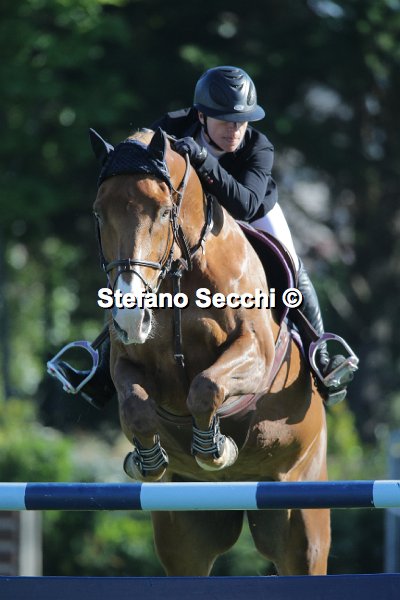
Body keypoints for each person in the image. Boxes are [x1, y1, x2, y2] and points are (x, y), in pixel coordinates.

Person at [54, 66, 357, 407]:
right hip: (190, 219)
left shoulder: (259, 147)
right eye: (225, 121)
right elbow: (138, 159)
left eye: (241, 121)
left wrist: (201, 160)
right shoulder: (171, 127)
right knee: (136, 267)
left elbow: (245, 205)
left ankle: (320, 355)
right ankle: (102, 365)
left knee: (290, 262)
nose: (235, 129)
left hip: (252, 213)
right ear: (201, 116)